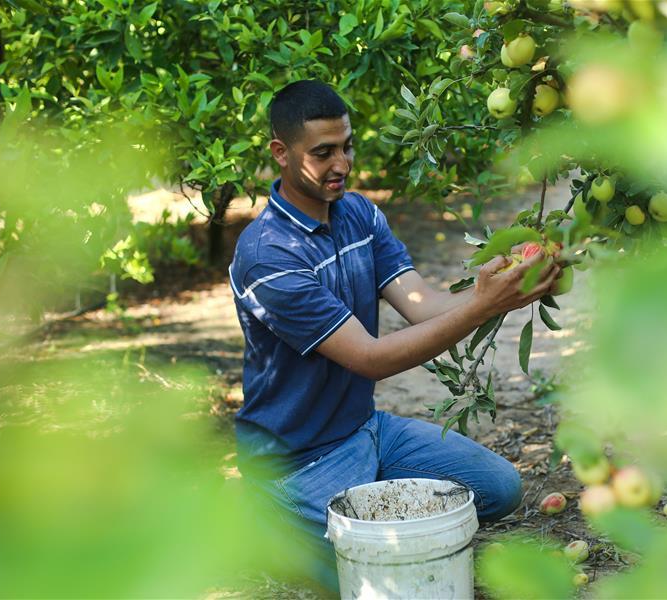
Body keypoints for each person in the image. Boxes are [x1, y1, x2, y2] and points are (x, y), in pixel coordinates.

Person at [228, 80, 562, 594]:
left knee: (500, 488)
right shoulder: (268, 255)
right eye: (323, 152)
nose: (342, 163)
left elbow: (421, 305)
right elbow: (370, 359)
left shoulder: (359, 215)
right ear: (281, 153)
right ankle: (270, 519)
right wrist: (483, 305)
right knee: (385, 576)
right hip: (296, 463)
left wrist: (505, 289)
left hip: (365, 431)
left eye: (347, 146)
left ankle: (363, 497)